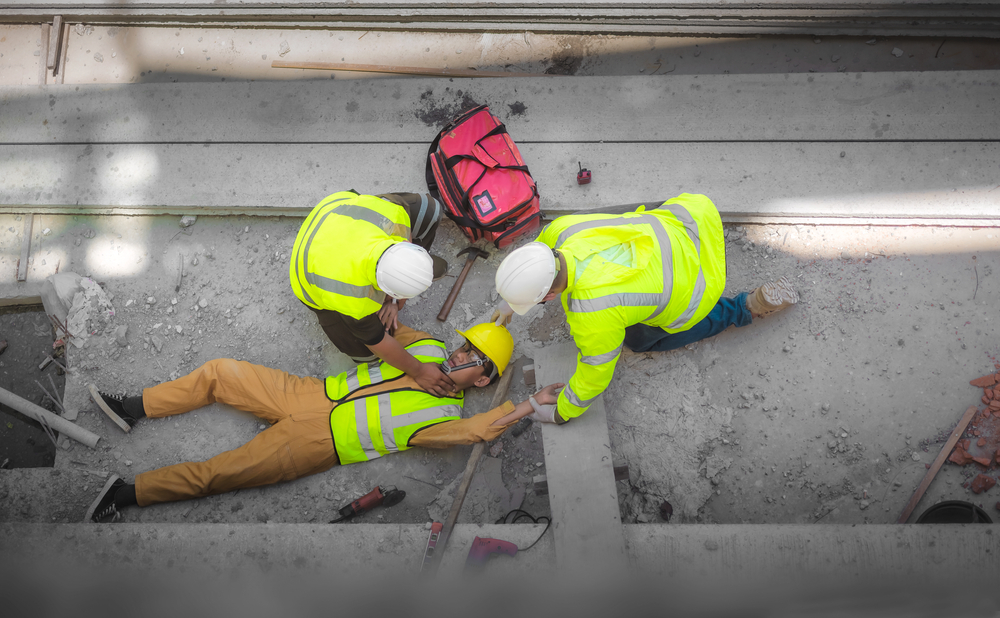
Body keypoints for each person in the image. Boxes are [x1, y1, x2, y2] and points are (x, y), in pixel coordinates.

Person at [85, 323, 563, 523]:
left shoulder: (442, 417)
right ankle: (129, 408)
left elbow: (477, 433)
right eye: (466, 345)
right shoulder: (429, 348)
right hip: (311, 392)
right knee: (221, 372)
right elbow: (386, 327)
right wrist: (390, 307)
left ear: (482, 382)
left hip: (316, 444)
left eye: (475, 358)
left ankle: (125, 494)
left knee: (218, 473)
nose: (461, 355)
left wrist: (527, 405)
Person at [492, 194, 798, 424]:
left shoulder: (591, 312)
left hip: (702, 282)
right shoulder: (562, 231)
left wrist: (563, 412)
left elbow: (595, 372)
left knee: (637, 340)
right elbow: (537, 259)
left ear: (548, 296)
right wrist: (510, 303)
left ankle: (744, 308)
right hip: (693, 223)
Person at [289, 190, 455, 396]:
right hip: (308, 272)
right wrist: (419, 371)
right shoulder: (353, 298)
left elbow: (407, 239)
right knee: (367, 355)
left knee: (430, 209)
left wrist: (394, 302)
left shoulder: (395, 216)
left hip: (335, 213)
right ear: (381, 289)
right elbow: (377, 341)